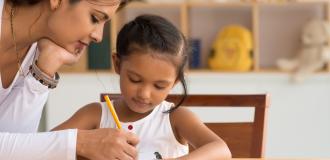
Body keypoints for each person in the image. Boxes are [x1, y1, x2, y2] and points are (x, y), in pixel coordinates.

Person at [53, 14, 232, 159]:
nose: (145, 94)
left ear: (175, 82)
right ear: (117, 64)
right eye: (135, 80)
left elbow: (221, 149)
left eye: (160, 86)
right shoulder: (95, 114)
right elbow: (45, 145)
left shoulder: (176, 118)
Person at [0, 0, 139, 159]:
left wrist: (43, 72)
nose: (98, 37)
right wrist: (79, 143)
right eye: (95, 18)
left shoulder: (38, 48)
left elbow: (14, 149)